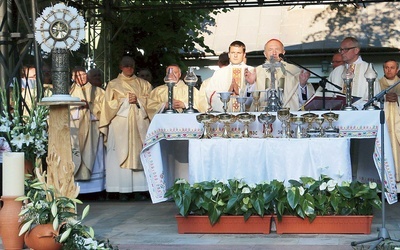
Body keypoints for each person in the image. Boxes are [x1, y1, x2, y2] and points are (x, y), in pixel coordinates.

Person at [99, 55, 152, 201]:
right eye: (126, 65)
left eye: (131, 65)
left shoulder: (143, 84)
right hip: (120, 124)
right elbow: (108, 105)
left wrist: (139, 100)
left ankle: (141, 190)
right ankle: (120, 190)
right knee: (118, 155)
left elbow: (152, 102)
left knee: (139, 153)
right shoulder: (113, 84)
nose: (129, 68)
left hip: (138, 124)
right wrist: (124, 101)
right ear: (120, 67)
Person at [247, 39, 314, 111]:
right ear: (265, 54)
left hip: (288, 115)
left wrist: (302, 85)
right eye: (270, 50)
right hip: (263, 116)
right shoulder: (256, 72)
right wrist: (251, 84)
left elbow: (305, 101)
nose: (274, 53)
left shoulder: (294, 71)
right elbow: (248, 102)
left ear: (283, 52)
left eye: (277, 49)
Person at [69, 66, 106, 196]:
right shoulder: (68, 91)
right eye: (77, 75)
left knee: (95, 157)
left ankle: (96, 191)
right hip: (75, 128)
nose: (81, 77)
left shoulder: (98, 92)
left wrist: (89, 106)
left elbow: (105, 109)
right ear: (72, 77)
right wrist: (76, 106)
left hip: (92, 128)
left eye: (83, 75)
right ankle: (77, 191)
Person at [322, 37, 380, 103]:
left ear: (356, 50)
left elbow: (374, 95)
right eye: (341, 50)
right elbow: (328, 95)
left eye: (346, 49)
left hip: (361, 111)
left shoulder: (368, 69)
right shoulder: (336, 71)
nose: (342, 52)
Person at [203, 41, 255, 112]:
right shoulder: (219, 73)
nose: (235, 56)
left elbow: (257, 94)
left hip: (246, 115)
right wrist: (227, 93)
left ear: (244, 54)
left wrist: (239, 92)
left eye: (239, 53)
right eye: (233, 53)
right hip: (226, 115)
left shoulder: (252, 71)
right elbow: (210, 93)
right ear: (229, 54)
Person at [378, 59, 400, 182]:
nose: (389, 70)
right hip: (385, 123)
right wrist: (384, 98)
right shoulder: (378, 83)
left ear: (397, 69)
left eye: (392, 67)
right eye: (386, 67)